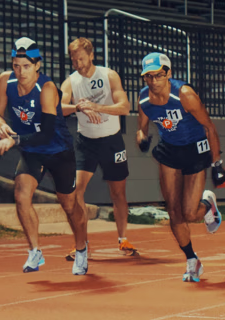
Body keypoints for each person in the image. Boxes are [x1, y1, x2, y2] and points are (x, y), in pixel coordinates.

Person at [0, 37, 88, 275]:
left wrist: (14, 140)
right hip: (31, 151)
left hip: (58, 151)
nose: (20, 72)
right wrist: (2, 125)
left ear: (37, 65)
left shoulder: (47, 88)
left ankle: (82, 249)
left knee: (69, 205)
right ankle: (35, 251)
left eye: (26, 66)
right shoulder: (5, 81)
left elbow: (45, 133)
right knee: (21, 195)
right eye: (16, 65)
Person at [136, 52, 224, 282]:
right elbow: (141, 128)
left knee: (189, 213)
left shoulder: (184, 94)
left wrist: (217, 163)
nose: (153, 81)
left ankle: (208, 205)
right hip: (169, 150)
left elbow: (209, 127)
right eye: (148, 76)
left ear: (169, 74)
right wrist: (142, 138)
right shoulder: (144, 98)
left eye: (158, 75)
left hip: (195, 149)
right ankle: (192, 260)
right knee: (174, 211)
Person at [60, 37, 138, 260]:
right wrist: (78, 107)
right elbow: (59, 108)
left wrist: (96, 107)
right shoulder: (71, 82)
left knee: (118, 193)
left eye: (81, 59)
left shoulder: (108, 75)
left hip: (112, 141)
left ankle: (123, 239)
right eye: (74, 60)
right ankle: (81, 243)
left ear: (91, 55)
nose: (78, 64)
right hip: (86, 142)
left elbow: (125, 107)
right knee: (76, 191)